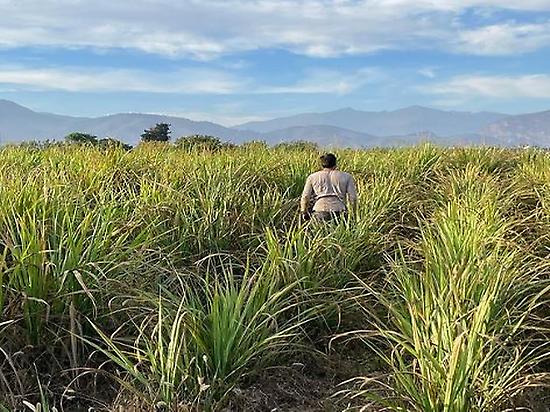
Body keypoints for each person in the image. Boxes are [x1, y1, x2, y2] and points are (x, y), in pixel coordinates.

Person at [300, 153, 357, 221]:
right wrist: (353, 214)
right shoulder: (347, 176)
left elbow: (305, 197)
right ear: (335, 164)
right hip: (339, 210)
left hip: (320, 209)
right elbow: (353, 198)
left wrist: (304, 212)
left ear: (322, 164)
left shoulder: (312, 177)